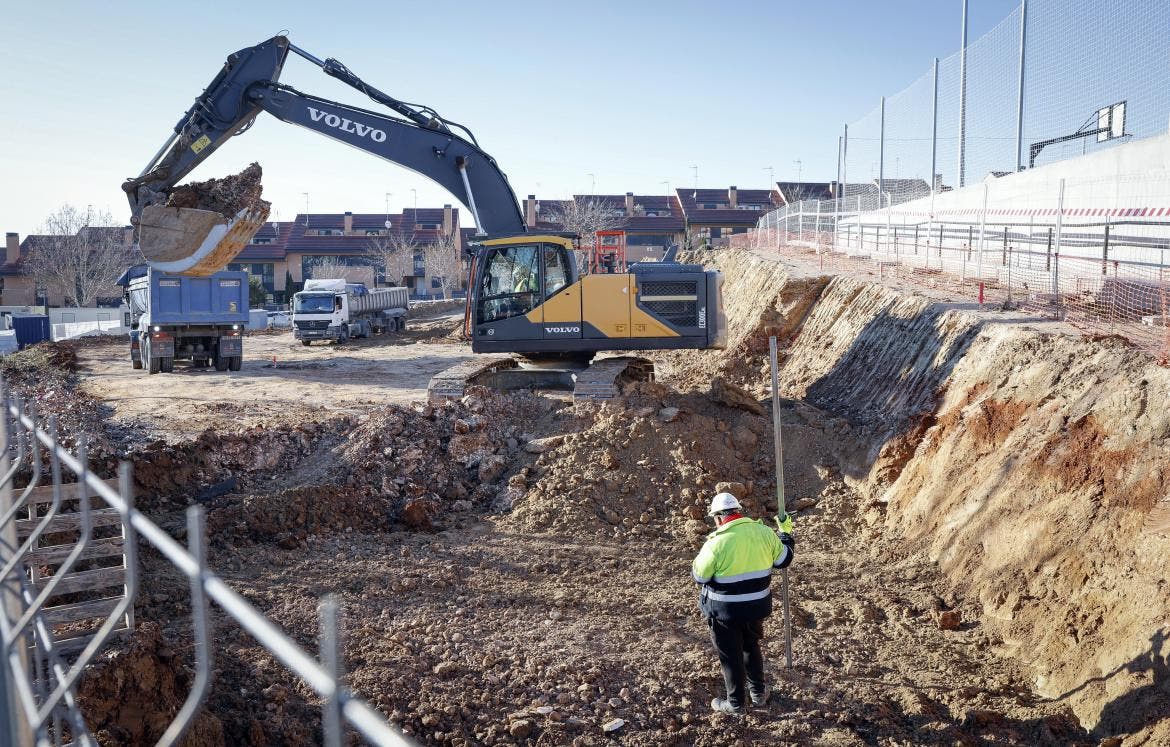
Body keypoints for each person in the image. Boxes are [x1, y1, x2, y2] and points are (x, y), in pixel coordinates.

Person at [691, 492, 795, 715]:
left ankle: (736, 703)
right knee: (750, 646)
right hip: (756, 607)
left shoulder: (716, 542)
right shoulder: (765, 533)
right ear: (738, 511)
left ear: (719, 518)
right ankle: (758, 694)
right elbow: (784, 559)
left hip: (725, 612)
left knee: (730, 655)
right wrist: (785, 534)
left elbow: (700, 576)